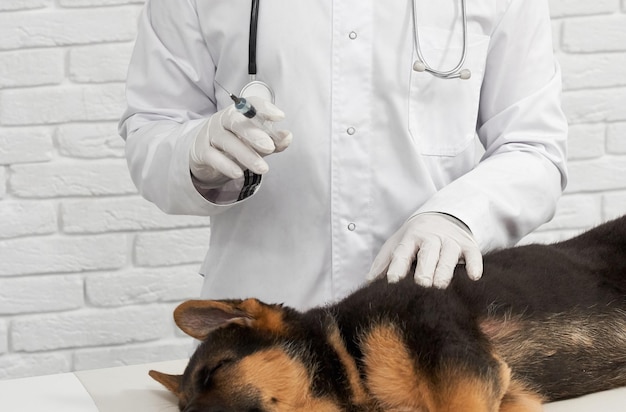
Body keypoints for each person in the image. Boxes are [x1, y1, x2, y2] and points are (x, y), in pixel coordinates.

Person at [119, 0, 567, 310]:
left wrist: (458, 216)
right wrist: (192, 155)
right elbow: (152, 127)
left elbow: (534, 147)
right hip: (264, 333)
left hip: (432, 329)